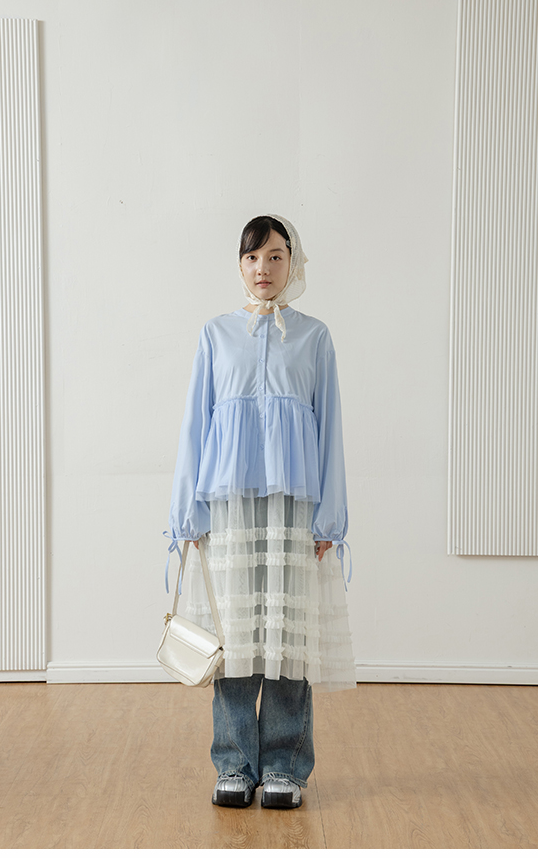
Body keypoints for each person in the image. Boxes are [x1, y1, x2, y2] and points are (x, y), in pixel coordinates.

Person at [165, 214, 355, 810]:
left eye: (275, 256)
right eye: (252, 257)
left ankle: (285, 767)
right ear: (239, 265)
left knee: (286, 639)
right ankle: (234, 765)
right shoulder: (215, 334)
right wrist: (187, 511)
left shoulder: (315, 336)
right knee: (236, 639)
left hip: (294, 509)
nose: (263, 268)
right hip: (229, 510)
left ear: (293, 262)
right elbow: (195, 425)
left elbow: (330, 428)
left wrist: (330, 518)